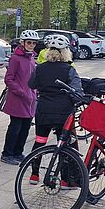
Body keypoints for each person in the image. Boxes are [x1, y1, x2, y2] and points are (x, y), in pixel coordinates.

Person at [27, 34, 83, 187]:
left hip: (43, 110)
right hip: (63, 113)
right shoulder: (69, 69)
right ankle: (65, 179)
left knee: (40, 141)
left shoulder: (41, 68)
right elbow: (77, 92)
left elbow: (31, 84)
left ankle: (34, 174)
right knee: (64, 146)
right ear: (66, 52)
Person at [0, 30, 38, 166]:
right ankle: (7, 153)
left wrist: (36, 90)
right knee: (15, 127)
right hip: (18, 99)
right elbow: (9, 79)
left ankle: (18, 152)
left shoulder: (32, 58)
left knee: (25, 127)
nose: (31, 45)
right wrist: (21, 91)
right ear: (22, 43)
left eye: (34, 43)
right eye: (29, 42)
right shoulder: (16, 58)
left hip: (31, 100)